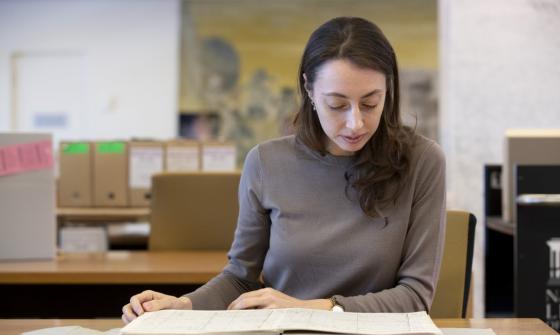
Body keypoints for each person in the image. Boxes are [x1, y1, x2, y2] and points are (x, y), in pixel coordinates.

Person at [122, 16, 445, 324]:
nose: (355, 122)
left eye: (371, 103)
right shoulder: (265, 162)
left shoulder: (423, 160)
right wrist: (183, 305)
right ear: (308, 89)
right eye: (337, 105)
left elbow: (415, 297)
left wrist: (309, 309)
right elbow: (240, 278)